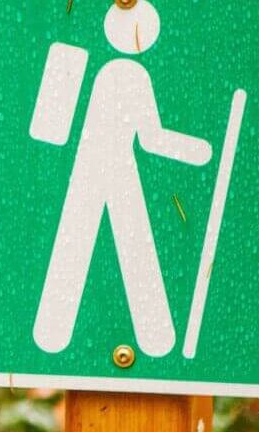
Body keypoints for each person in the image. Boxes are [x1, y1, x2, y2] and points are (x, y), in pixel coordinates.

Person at [32, 0, 213, 359]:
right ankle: (154, 340)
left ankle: (56, 335)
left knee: (86, 250)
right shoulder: (122, 73)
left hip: (103, 173)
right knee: (125, 247)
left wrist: (199, 151)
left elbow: (49, 128)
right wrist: (201, 151)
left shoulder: (103, 67)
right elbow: (152, 138)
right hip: (97, 170)